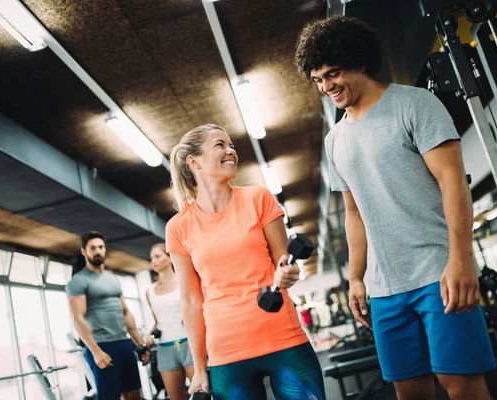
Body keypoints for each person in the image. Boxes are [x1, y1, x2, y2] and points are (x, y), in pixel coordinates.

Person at [295, 16, 497, 400]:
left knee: (463, 386)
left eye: (333, 74)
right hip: (384, 288)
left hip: (437, 272)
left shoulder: (414, 104)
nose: (326, 87)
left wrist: (461, 258)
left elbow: (453, 183)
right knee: (409, 392)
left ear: (359, 61)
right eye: (318, 80)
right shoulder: (334, 140)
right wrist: (356, 278)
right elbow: (353, 214)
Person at [165, 124, 325, 400]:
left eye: (232, 146)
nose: (231, 151)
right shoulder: (178, 227)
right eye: (220, 145)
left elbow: (284, 262)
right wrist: (200, 369)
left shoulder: (257, 197)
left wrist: (289, 273)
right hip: (227, 350)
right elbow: (191, 301)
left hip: (282, 336)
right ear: (194, 162)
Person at [66, 231, 150, 400]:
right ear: (84, 252)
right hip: (102, 345)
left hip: (124, 343)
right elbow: (78, 318)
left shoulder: (112, 278)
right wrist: (96, 351)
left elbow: (125, 312)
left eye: (101, 247)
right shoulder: (78, 281)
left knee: (134, 395)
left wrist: (139, 344)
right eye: (92, 248)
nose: (98, 251)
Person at [143, 243, 194, 399]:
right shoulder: (149, 291)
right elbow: (158, 322)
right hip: (165, 348)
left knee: (202, 394)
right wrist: (148, 335)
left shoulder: (185, 281)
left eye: (157, 256)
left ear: (169, 256)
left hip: (189, 343)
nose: (153, 261)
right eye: (151, 258)